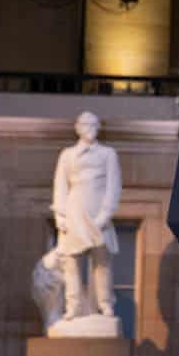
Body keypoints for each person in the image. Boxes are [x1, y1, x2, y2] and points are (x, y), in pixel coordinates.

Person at [51, 111, 122, 320]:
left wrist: (104, 215)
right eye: (85, 124)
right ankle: (73, 306)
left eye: (94, 124)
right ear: (77, 128)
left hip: (98, 213)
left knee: (102, 261)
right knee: (71, 261)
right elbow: (60, 186)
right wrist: (60, 216)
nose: (90, 128)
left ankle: (104, 304)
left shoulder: (108, 154)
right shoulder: (67, 155)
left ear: (99, 127)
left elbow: (113, 187)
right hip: (74, 211)